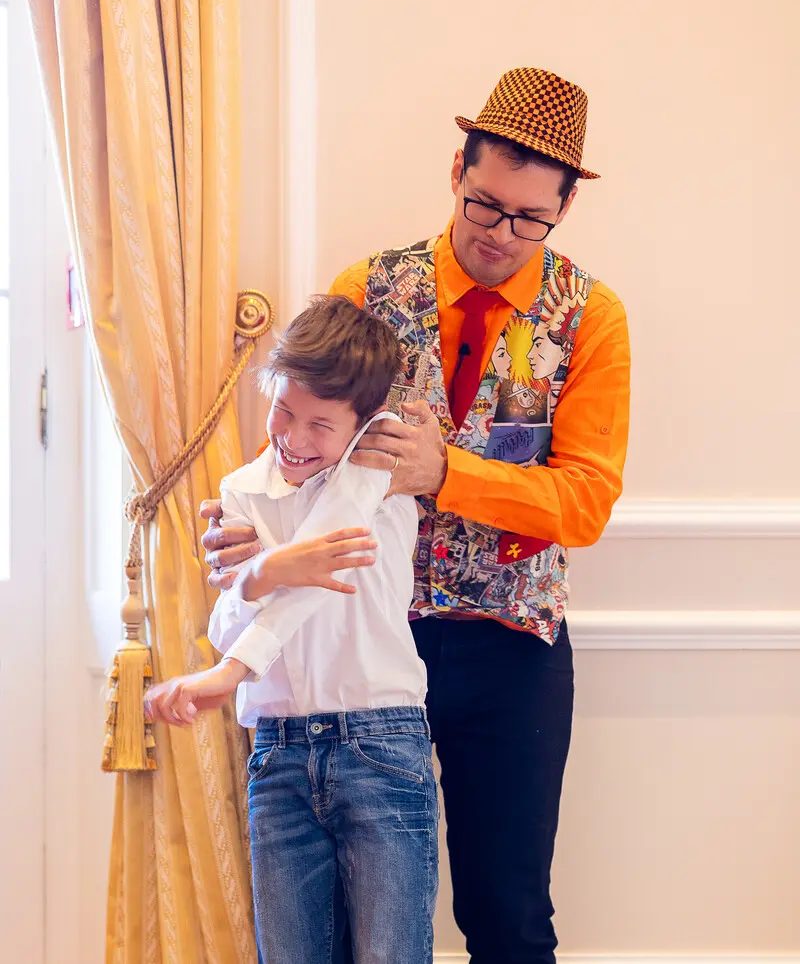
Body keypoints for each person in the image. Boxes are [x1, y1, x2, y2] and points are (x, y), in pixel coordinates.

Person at [202, 66, 631, 964]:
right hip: (358, 644)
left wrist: (449, 474)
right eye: (485, 205)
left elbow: (585, 500)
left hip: (508, 642)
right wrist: (248, 532)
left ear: (565, 208)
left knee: (508, 915)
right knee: (339, 926)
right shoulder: (366, 288)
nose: (500, 233)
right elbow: (301, 445)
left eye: (530, 218)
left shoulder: (592, 318)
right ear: (456, 171)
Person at [147, 296, 439, 964]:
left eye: (321, 425)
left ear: (365, 424)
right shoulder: (242, 491)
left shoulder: (378, 469)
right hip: (277, 752)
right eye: (284, 410)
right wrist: (259, 576)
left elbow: (318, 569)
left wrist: (234, 663)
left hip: (380, 743)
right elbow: (229, 622)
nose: (294, 438)